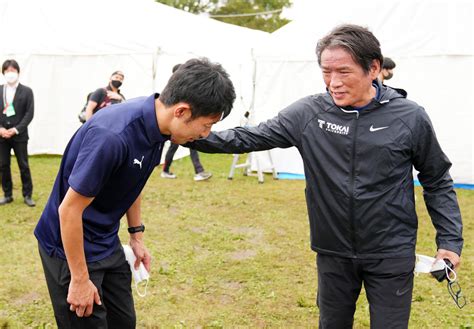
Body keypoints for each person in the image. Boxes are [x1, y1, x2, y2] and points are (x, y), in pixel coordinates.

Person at [188, 24, 463, 328]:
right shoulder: (309, 113)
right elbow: (247, 138)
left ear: (374, 68)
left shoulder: (410, 117)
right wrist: (184, 133)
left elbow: (437, 179)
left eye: (343, 72)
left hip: (391, 252)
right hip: (333, 252)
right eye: (326, 72)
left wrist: (449, 241)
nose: (334, 83)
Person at [34, 58, 235, 327]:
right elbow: (68, 210)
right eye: (207, 125)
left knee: (124, 322)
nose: (205, 134)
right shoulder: (112, 136)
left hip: (106, 241)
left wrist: (136, 236)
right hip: (69, 245)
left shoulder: (160, 128)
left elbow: (134, 183)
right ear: (182, 111)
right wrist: (80, 279)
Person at [161, 64, 212, 181]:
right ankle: (165, 170)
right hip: (175, 126)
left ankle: (199, 171)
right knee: (173, 148)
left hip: (186, 125)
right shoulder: (171, 90)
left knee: (193, 145)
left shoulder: (187, 88)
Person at [0, 59, 35, 207]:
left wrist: (15, 129)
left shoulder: (27, 91)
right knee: (3, 165)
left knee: (23, 165)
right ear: (3, 73)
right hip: (2, 135)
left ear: (18, 72)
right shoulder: (0, 89)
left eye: (13, 71)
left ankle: (27, 195)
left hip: (19, 135)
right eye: (7, 71)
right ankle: (7, 195)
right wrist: (1, 128)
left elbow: (29, 113)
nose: (10, 74)